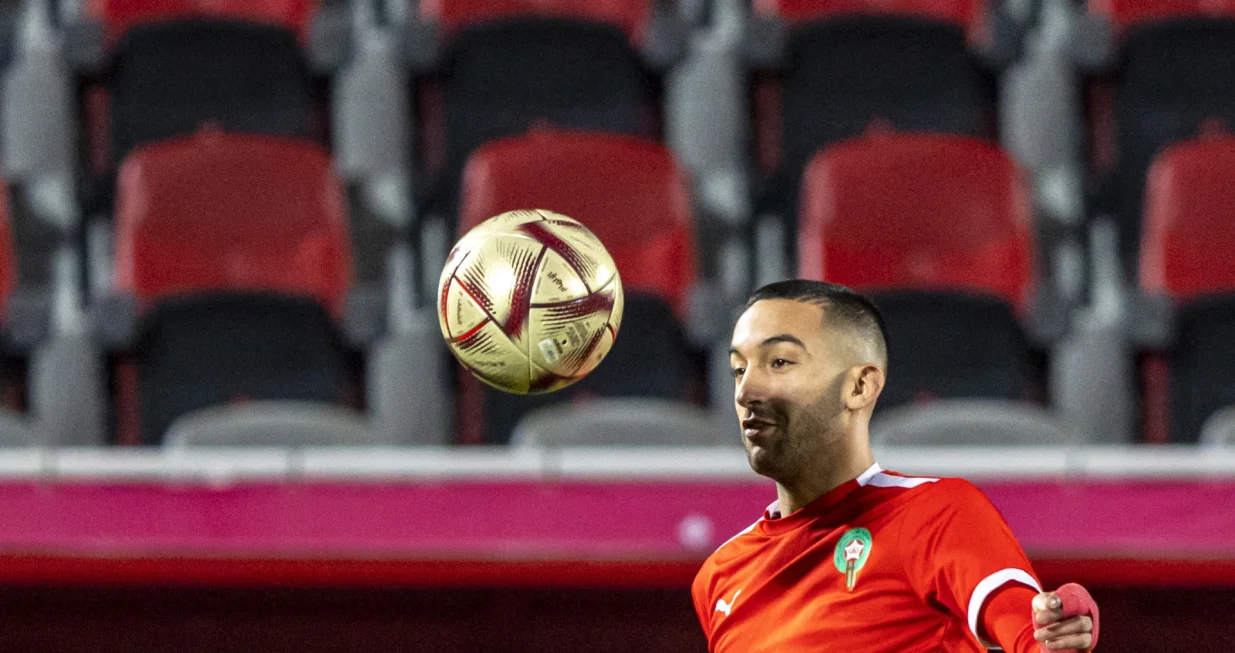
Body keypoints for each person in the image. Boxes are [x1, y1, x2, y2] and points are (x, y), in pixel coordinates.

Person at [692, 280, 1098, 652]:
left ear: (859, 386)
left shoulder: (936, 515)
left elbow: (1028, 631)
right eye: (738, 369)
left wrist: (1054, 631)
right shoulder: (721, 574)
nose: (746, 391)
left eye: (779, 363)